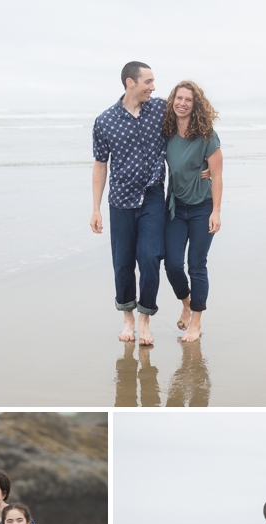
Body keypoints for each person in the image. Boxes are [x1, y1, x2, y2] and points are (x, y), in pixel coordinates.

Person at [91, 61, 169, 346]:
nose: (153, 87)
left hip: (152, 196)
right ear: (130, 83)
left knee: (150, 257)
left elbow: (190, 128)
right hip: (120, 201)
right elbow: (100, 166)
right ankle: (127, 318)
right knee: (122, 263)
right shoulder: (105, 121)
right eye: (148, 81)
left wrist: (206, 164)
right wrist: (96, 208)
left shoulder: (160, 110)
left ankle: (145, 320)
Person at [162, 80, 224, 344]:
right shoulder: (165, 131)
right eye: (179, 98)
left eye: (188, 99)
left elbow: (218, 175)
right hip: (176, 207)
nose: (183, 103)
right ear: (172, 101)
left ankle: (196, 323)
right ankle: (186, 303)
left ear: (195, 104)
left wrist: (216, 212)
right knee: (173, 264)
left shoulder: (207, 134)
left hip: (202, 207)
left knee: (197, 265)